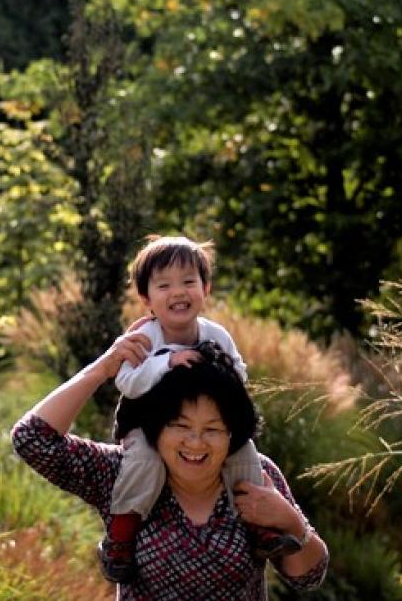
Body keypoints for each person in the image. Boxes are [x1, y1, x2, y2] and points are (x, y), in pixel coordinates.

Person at [10, 335, 329, 600]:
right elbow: (31, 438)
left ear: (233, 434)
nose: (195, 443)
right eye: (179, 425)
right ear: (155, 428)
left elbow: (308, 577)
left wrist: (290, 521)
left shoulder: (255, 475)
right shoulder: (121, 473)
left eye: (213, 429)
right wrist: (102, 369)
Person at [103, 235, 300, 582]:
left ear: (206, 289)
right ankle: (121, 535)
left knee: (243, 451)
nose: (178, 292)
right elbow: (127, 381)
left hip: (206, 423)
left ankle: (260, 528)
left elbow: (238, 374)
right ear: (146, 297)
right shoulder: (146, 337)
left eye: (189, 282)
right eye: (164, 285)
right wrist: (167, 362)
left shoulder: (216, 334)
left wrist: (219, 369)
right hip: (146, 424)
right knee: (143, 462)